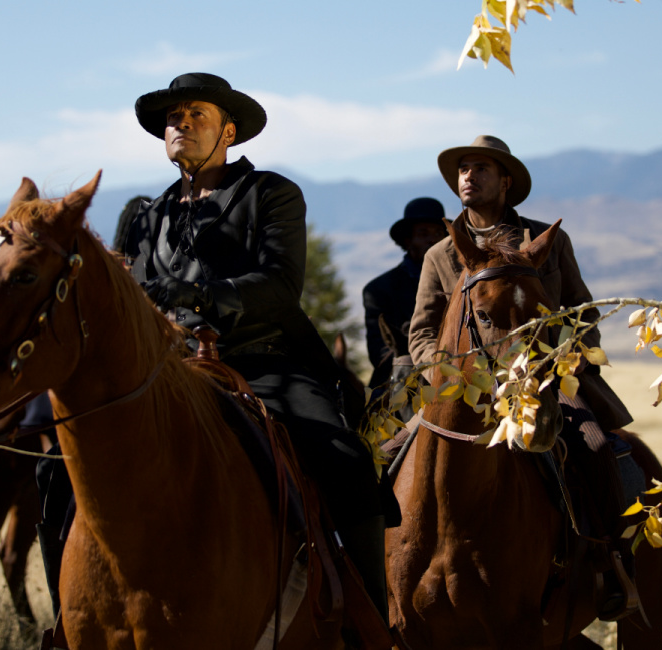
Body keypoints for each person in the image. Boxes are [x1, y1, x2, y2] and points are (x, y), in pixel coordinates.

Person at [120, 72, 393, 622]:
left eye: (197, 114)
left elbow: (280, 285)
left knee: (344, 463)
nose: (181, 123)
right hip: (164, 372)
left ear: (230, 131)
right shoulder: (146, 216)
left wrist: (196, 295)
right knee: (56, 467)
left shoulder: (270, 193)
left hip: (262, 362)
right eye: (174, 116)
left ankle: (371, 618)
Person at [407, 134, 638, 620]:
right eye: (463, 168)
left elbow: (584, 315)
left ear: (506, 182)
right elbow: (423, 333)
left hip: (543, 381)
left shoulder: (548, 243)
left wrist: (550, 366)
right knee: (389, 456)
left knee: (595, 447)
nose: (469, 176)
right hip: (462, 390)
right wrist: (452, 373)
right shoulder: (441, 256)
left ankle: (612, 563)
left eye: (482, 168)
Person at [361, 198, 447, 393]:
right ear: (408, 240)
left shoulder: (460, 282)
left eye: (439, 234)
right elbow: (380, 354)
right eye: (423, 234)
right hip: (403, 382)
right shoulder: (378, 290)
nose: (432, 240)